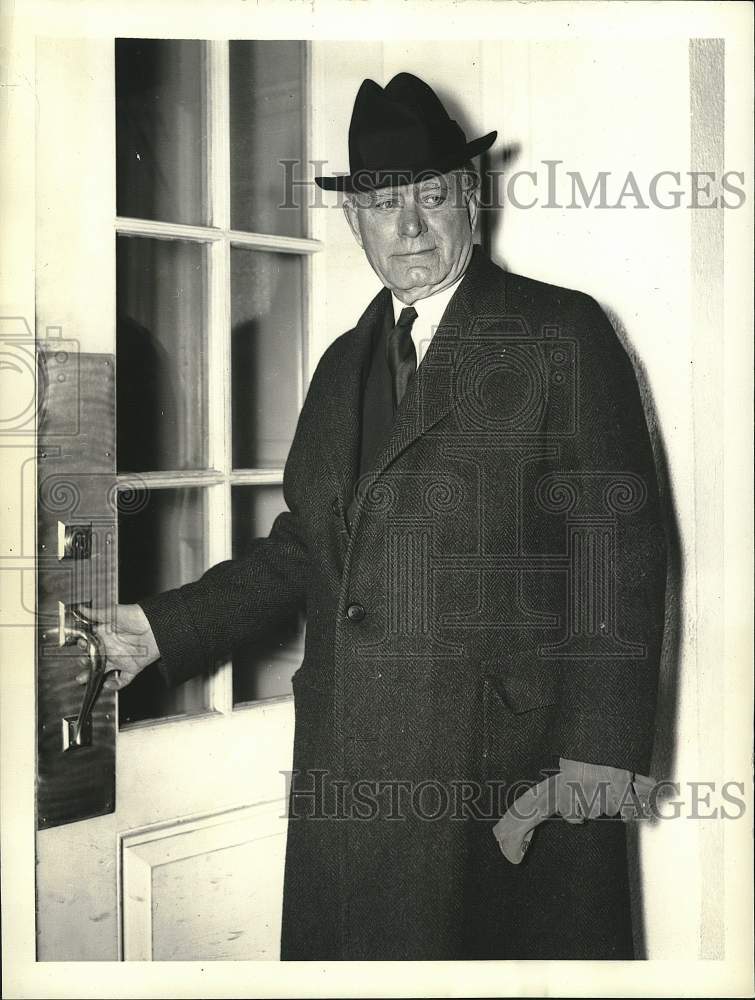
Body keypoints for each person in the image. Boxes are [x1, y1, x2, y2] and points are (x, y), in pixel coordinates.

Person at [83, 73, 667, 960]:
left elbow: (618, 556)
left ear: (471, 198)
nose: (410, 227)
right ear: (354, 221)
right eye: (384, 205)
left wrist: (595, 766)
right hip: (350, 761)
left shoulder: (560, 333)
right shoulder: (340, 364)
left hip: (505, 769)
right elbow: (309, 547)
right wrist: (160, 629)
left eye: (431, 196)